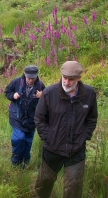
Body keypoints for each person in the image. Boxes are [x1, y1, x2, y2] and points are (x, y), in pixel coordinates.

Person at [33, 61, 98, 198]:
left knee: (73, 186)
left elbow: (91, 119)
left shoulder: (89, 94)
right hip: (52, 148)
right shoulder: (49, 93)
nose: (67, 82)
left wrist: (84, 136)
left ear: (79, 78)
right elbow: (39, 118)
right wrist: (48, 137)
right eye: (65, 78)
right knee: (44, 183)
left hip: (76, 150)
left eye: (71, 79)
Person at [4, 65, 45, 167]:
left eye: (33, 78)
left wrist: (41, 97)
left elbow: (46, 102)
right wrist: (13, 96)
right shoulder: (17, 82)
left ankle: (25, 163)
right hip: (17, 116)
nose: (30, 80)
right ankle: (15, 161)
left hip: (31, 119)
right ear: (25, 75)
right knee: (19, 138)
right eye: (29, 78)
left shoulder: (40, 86)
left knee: (27, 141)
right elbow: (7, 92)